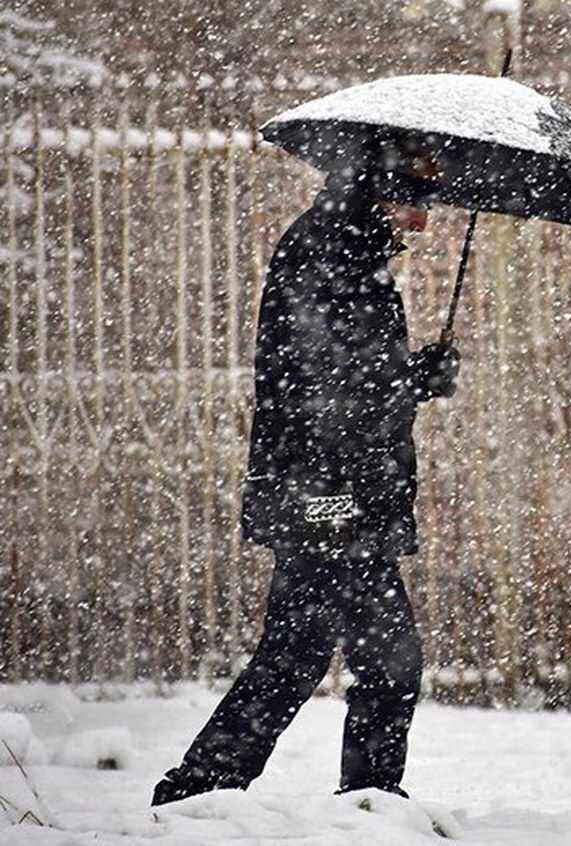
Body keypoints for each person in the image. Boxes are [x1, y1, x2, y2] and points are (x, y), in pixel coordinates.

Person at [152, 156, 460, 806]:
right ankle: (369, 802)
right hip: (328, 496)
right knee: (389, 660)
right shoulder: (328, 251)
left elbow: (350, 371)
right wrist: (409, 379)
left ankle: (200, 791)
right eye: (418, 199)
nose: (425, 221)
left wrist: (411, 372)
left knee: (296, 653)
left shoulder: (347, 248)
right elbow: (325, 384)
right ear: (385, 188)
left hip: (328, 492)